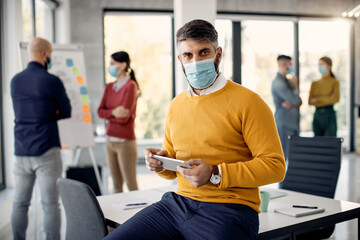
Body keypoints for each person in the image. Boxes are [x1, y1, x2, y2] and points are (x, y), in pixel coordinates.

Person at [105, 19, 285, 240]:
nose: (196, 61)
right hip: (177, 205)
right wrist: (161, 163)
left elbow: (275, 167)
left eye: (203, 52)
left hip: (229, 208)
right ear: (180, 59)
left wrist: (215, 173)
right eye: (188, 55)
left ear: (218, 54)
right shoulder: (176, 105)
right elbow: (174, 165)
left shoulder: (249, 102)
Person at [11, 37, 71, 240]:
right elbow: (66, 110)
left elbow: (22, 111)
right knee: (50, 204)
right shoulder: (51, 81)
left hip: (21, 151)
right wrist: (49, 113)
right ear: (45, 54)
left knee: (20, 203)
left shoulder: (15, 80)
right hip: (46, 150)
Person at [98, 51, 140, 193]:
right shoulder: (109, 87)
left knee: (131, 185)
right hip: (110, 141)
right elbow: (100, 111)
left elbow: (124, 118)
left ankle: (138, 215)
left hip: (125, 143)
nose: (109, 66)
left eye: (112, 63)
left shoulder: (131, 86)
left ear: (122, 65)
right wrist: (114, 112)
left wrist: (109, 113)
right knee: (116, 185)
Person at [271, 55, 302, 159]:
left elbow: (299, 102)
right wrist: (296, 87)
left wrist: (293, 102)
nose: (292, 66)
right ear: (284, 65)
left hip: (292, 123)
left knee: (294, 156)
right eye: (290, 64)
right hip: (284, 123)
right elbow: (296, 100)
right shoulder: (278, 83)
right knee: (284, 157)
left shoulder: (287, 82)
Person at [308, 56, 340, 136]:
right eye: (319, 65)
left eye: (322, 64)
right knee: (318, 144)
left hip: (329, 115)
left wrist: (317, 99)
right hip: (317, 115)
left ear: (329, 66)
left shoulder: (335, 82)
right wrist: (328, 98)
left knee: (330, 143)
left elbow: (335, 99)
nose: (320, 67)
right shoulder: (314, 83)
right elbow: (310, 101)